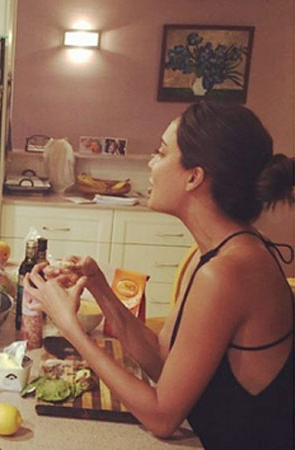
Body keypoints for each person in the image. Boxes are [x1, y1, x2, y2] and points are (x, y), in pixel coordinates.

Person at [24, 101, 294, 450]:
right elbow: (162, 360)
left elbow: (162, 417)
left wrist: (69, 327)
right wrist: (99, 286)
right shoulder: (215, 252)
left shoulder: (228, 272)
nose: (151, 164)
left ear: (194, 177)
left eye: (161, 153)